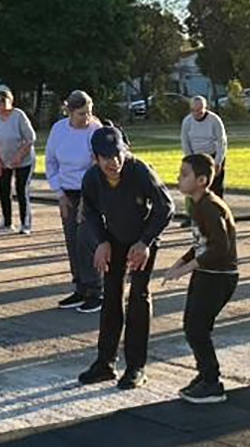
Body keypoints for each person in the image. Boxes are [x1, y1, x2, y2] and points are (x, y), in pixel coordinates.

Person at [73, 126, 175, 390]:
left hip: (142, 238)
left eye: (117, 154)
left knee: (139, 296)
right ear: (95, 158)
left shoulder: (140, 170)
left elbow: (166, 207)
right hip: (115, 239)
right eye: (106, 156)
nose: (113, 161)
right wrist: (102, 241)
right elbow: (91, 210)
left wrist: (145, 242)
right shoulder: (92, 178)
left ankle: (136, 366)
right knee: (111, 296)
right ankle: (105, 363)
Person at [159, 152, 238, 403]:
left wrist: (187, 268)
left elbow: (219, 247)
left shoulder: (210, 206)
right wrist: (179, 263)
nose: (178, 179)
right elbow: (201, 243)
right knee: (194, 327)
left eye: (184, 175)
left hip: (218, 275)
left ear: (202, 180)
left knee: (196, 329)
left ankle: (212, 382)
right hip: (206, 273)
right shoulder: (197, 204)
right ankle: (205, 374)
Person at [46, 90, 105, 314]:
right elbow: (51, 163)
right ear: (69, 111)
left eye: (89, 112)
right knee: (72, 240)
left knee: (87, 240)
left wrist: (86, 200)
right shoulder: (58, 129)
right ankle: (80, 287)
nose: (86, 118)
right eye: (81, 114)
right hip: (67, 192)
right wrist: (59, 194)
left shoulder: (95, 130)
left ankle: (96, 290)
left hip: (90, 192)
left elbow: (97, 166)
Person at [0, 88, 38, 234]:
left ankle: (25, 224)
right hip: (3, 160)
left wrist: (19, 156)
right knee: (4, 190)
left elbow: (30, 138)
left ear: (11, 101)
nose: (0, 104)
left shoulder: (19, 116)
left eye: (3, 100)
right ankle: (7, 222)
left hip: (24, 159)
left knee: (21, 189)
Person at [179, 95, 229, 213]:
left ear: (205, 108)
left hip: (212, 155)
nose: (196, 114)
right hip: (195, 157)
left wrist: (218, 162)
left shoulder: (214, 120)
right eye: (194, 111)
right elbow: (185, 141)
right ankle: (193, 215)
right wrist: (189, 159)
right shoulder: (187, 121)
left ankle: (217, 212)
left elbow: (222, 142)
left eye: (199, 111)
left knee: (215, 187)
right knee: (192, 187)